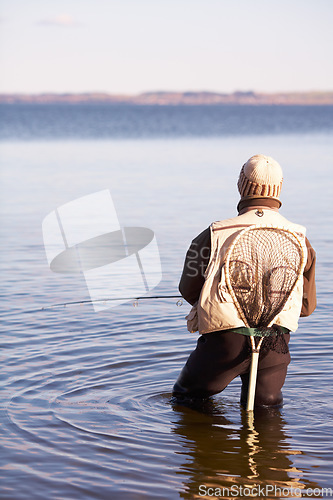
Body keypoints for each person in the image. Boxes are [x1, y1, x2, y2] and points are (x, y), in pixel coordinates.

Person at [173, 154, 316, 407]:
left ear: (241, 185)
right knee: (268, 411)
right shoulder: (302, 239)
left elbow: (188, 290)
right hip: (276, 343)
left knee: (186, 397)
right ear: (279, 188)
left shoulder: (214, 234)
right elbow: (306, 308)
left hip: (223, 344)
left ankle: (207, 443)